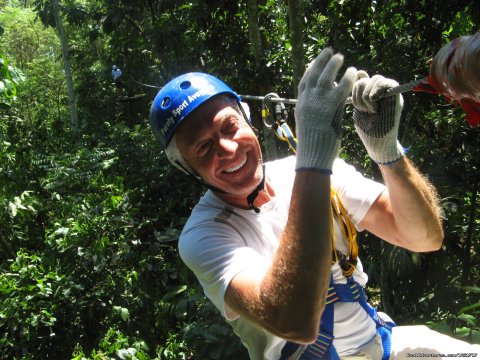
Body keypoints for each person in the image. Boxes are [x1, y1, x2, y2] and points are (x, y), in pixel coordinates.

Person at [149, 48, 480, 359]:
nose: (228, 149)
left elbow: (424, 237)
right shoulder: (203, 236)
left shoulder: (315, 171)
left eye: (229, 126)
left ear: (247, 120)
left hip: (380, 342)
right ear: (188, 168)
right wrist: (312, 162)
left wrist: (387, 153)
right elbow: (295, 321)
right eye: (203, 148)